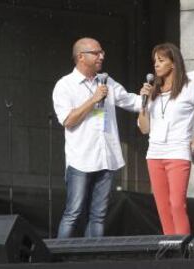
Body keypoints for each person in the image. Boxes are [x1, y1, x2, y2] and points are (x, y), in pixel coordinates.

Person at [52, 37, 147, 238]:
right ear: (80, 57)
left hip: (106, 157)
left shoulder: (106, 81)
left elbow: (131, 101)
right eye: (96, 53)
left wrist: (150, 96)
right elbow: (68, 120)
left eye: (102, 52)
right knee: (74, 212)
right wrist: (93, 99)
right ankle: (58, 258)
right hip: (81, 158)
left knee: (99, 215)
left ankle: (92, 258)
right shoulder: (65, 85)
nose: (101, 56)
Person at [138, 43, 194, 235]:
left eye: (161, 61)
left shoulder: (189, 88)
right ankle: (171, 248)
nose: (156, 65)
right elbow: (144, 128)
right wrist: (143, 103)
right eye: (155, 62)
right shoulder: (153, 91)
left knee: (176, 204)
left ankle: (183, 248)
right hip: (154, 153)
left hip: (178, 152)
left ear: (173, 63)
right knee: (162, 207)